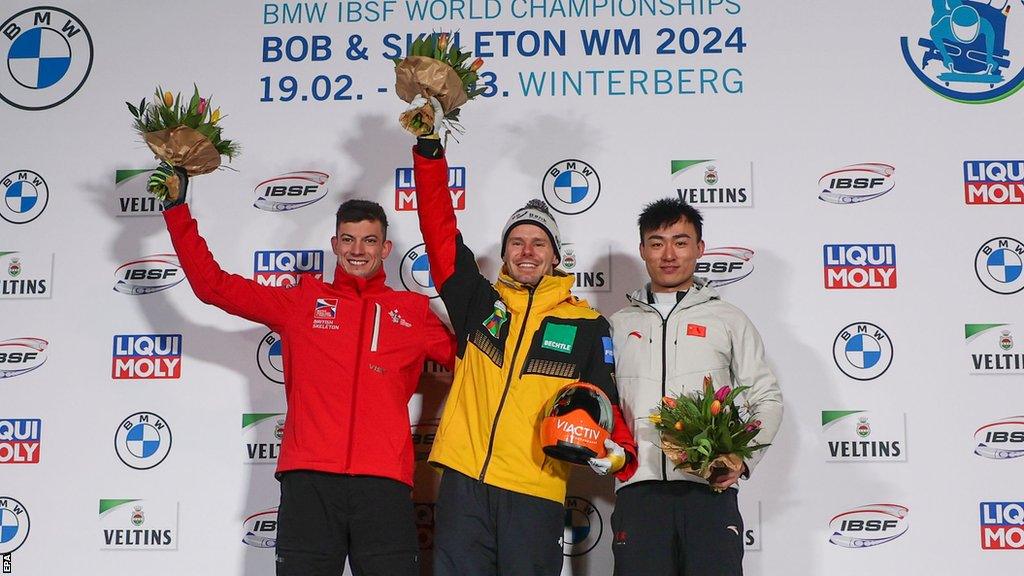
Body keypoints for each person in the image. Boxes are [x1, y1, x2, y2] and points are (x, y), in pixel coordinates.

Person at [159, 170, 456, 576]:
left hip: (383, 485)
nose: (357, 250)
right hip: (309, 483)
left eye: (369, 240)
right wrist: (176, 210)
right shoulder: (301, 301)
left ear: (385, 248)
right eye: (348, 239)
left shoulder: (412, 312)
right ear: (334, 244)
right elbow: (213, 286)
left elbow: (476, 366)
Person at [409, 126, 638, 575]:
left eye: (539, 243)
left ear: (556, 256)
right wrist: (430, 151)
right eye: (517, 242)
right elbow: (438, 230)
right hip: (463, 486)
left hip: (535, 493)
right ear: (506, 252)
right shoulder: (478, 301)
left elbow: (606, 407)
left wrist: (618, 456)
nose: (527, 251)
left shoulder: (588, 326)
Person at [609, 198, 783, 576]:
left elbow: (766, 397)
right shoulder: (617, 324)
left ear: (700, 248)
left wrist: (743, 460)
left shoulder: (728, 318)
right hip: (639, 495)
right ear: (642, 250)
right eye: (656, 243)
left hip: (709, 492)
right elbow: (601, 406)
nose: (668, 254)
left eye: (681, 241)